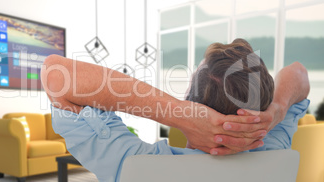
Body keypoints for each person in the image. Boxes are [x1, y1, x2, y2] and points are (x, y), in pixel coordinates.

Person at [41, 39, 310, 181]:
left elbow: (56, 74)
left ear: (189, 100)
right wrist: (277, 111)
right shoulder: (274, 147)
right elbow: (298, 72)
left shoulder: (134, 164)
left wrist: (180, 114)